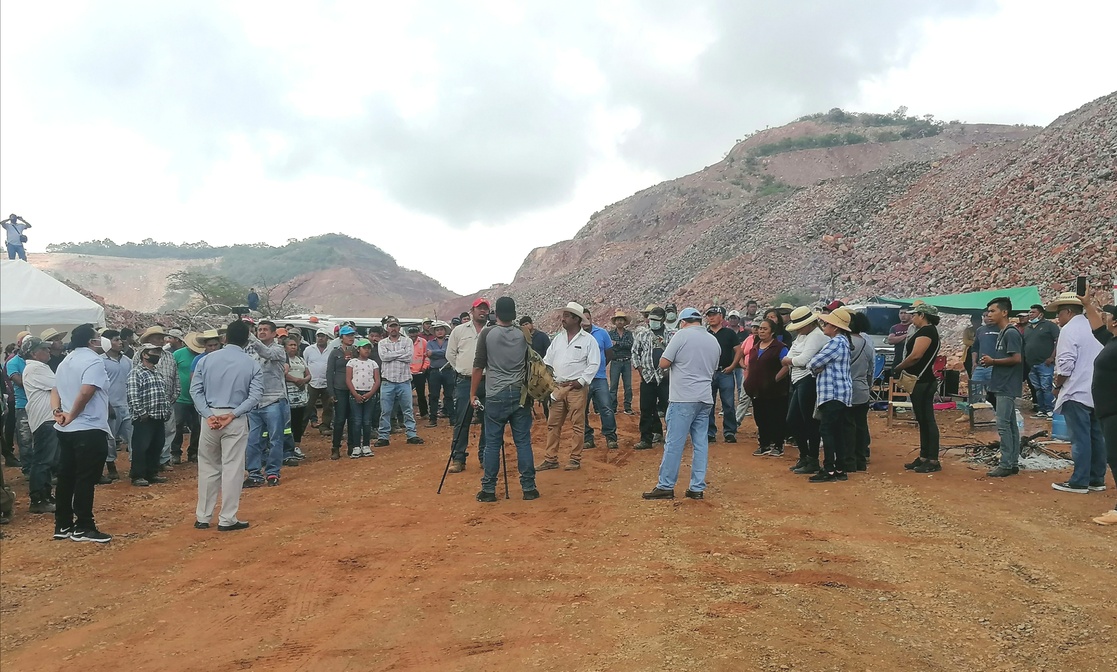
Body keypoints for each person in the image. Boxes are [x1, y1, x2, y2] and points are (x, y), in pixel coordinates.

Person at [190, 320, 263, 531]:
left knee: (208, 467)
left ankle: (203, 516)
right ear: (247, 339)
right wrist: (233, 414)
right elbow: (255, 395)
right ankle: (227, 518)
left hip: (210, 417)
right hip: (234, 418)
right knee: (233, 468)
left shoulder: (206, 360)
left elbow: (195, 390)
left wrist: (207, 414)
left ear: (224, 338)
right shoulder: (251, 363)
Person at [642, 308, 721, 500]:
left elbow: (663, 363)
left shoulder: (681, 335)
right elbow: (714, 367)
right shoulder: (713, 340)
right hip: (705, 398)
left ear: (683, 322)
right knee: (700, 443)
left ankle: (666, 485)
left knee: (674, 443)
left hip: (683, 397)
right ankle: (696, 488)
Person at [469, 296, 539, 502]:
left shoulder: (487, 334)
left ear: (496, 313)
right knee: (523, 442)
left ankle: (489, 490)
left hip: (495, 395)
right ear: (514, 314)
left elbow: (478, 365)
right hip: (520, 394)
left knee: (492, 443)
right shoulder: (522, 334)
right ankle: (529, 488)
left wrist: (473, 394)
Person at [51, 323, 113, 542]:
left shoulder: (65, 361)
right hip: (88, 427)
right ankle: (84, 526)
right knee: (86, 478)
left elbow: (55, 389)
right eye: (97, 337)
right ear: (90, 342)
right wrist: (72, 415)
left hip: (66, 429)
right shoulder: (93, 361)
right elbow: (87, 391)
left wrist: (58, 412)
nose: (100, 340)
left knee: (66, 476)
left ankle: (63, 524)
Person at [1046, 292, 1105, 494]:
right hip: (1096, 392)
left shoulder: (1069, 330)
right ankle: (1097, 479)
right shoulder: (1095, 326)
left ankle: (1079, 481)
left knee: (1080, 438)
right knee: (1096, 436)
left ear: (1068, 312)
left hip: (1076, 391)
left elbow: (1065, 365)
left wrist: (1057, 385)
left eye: (1059, 314)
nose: (1058, 319)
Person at [538, 302, 599, 472]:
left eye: (566, 316)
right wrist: (547, 380)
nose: (562, 319)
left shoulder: (588, 340)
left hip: (576, 388)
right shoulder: (558, 339)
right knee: (553, 424)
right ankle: (551, 458)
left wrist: (582, 381)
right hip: (558, 387)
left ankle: (574, 458)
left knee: (577, 424)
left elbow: (594, 363)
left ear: (576, 319)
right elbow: (547, 361)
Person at [806, 308, 854, 483]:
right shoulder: (843, 342)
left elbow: (814, 362)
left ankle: (829, 469)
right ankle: (839, 468)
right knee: (837, 431)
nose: (824, 325)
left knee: (826, 430)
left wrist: (816, 367)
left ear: (835, 327)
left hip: (832, 392)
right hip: (841, 393)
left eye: (827, 323)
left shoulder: (835, 343)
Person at [894, 304, 943, 473]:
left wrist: (899, 367)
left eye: (914, 315)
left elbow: (916, 356)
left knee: (927, 419)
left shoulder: (927, 332)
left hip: (922, 381)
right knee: (922, 419)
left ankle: (933, 459)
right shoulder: (927, 331)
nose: (912, 317)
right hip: (921, 380)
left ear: (922, 315)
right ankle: (924, 456)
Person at [981, 297, 1026, 478]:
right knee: (1011, 425)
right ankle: (1012, 462)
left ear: (1004, 312)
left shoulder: (1010, 333)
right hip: (1002, 383)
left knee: (1003, 425)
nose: (989, 315)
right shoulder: (1003, 332)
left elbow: (1017, 358)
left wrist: (993, 361)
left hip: (1006, 385)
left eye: (993, 311)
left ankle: (1006, 463)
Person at [243, 320, 290, 487]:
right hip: (255, 401)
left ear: (273, 333)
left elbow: (267, 354)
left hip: (274, 400)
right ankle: (254, 473)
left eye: (265, 330)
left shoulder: (278, 349)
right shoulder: (250, 351)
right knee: (253, 439)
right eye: (259, 330)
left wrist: (250, 336)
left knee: (275, 439)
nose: (261, 332)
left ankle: (272, 472)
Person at [446, 299, 491, 473]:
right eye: (479, 308)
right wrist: (463, 369)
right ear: (472, 310)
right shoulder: (458, 331)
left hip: (488, 381)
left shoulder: (492, 330)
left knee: (488, 420)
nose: (482, 311)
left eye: (485, 309)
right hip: (465, 381)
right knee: (462, 420)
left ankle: (485, 456)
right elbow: (450, 354)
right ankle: (458, 458)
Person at [782, 306, 828, 472]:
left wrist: (789, 360)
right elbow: (796, 356)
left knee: (808, 421)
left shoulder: (815, 336)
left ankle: (812, 459)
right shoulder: (804, 335)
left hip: (808, 379)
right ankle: (806, 456)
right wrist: (792, 360)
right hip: (800, 379)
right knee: (795, 420)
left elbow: (804, 359)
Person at [1085, 297, 1116, 524]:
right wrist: (1087, 305)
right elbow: (1097, 330)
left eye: (1109, 315)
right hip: (1108, 411)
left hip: (1115, 411)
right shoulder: (1112, 341)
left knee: (1116, 458)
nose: (1105, 317)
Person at [20, 338, 59, 512]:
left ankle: (45, 495)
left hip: (47, 418)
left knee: (47, 460)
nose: (48, 351)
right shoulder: (35, 368)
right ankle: (37, 499)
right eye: (44, 348)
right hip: (44, 419)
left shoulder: (39, 367)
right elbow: (58, 385)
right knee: (43, 460)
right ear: (33, 353)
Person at [126, 343, 172, 487]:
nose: (157, 355)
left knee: (156, 446)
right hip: (144, 417)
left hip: (158, 416)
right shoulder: (136, 372)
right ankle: (138, 475)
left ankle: (152, 473)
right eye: (154, 352)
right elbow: (133, 395)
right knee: (141, 447)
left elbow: (162, 394)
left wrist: (166, 411)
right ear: (144, 354)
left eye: (158, 352)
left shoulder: (157, 372)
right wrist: (142, 413)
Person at [744, 319, 790, 457]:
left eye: (765, 329)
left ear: (773, 331)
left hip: (775, 391)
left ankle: (778, 445)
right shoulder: (755, 347)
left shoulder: (780, 347)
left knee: (776, 417)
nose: (761, 331)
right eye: (760, 329)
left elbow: (786, 365)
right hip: (757, 390)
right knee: (760, 417)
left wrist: (775, 379)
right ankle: (764, 444)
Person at [374, 317, 423, 447]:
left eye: (395, 326)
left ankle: (411, 435)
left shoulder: (407, 341)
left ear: (399, 327)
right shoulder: (382, 343)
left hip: (404, 380)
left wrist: (392, 354)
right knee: (385, 410)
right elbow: (384, 357)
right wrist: (400, 353)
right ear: (387, 328)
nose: (393, 328)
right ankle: (383, 436)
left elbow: (408, 358)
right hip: (387, 381)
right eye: (391, 326)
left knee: (408, 409)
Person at [631, 306, 673, 449]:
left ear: (663, 320)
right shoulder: (642, 335)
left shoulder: (670, 335)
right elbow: (635, 353)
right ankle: (646, 439)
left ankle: (671, 437)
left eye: (656, 319)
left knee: (669, 408)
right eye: (651, 319)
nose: (652, 322)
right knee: (646, 409)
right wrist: (641, 370)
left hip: (665, 378)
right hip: (647, 377)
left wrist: (670, 370)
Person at [581, 308, 617, 450]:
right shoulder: (577, 336)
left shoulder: (602, 333)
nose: (586, 322)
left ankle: (611, 437)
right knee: (581, 410)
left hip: (599, 378)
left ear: (591, 318)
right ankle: (587, 438)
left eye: (588, 318)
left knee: (606, 408)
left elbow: (609, 353)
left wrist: (599, 367)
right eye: (583, 319)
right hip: (582, 380)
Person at [705, 306, 741, 443]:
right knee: (709, 404)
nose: (711, 317)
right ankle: (710, 432)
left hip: (725, 371)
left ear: (721, 316)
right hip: (709, 373)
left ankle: (730, 431)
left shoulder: (729, 333)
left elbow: (739, 350)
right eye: (709, 315)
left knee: (729, 403)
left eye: (714, 315)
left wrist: (732, 366)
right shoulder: (705, 334)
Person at [100, 330, 132, 481]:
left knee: (133, 437)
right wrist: (107, 405)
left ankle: (135, 466)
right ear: (107, 342)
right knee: (110, 440)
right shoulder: (101, 361)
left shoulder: (127, 361)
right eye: (116, 339)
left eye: (120, 339)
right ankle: (111, 466)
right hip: (110, 406)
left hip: (127, 405)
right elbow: (100, 386)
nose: (121, 342)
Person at [846, 312, 875, 472]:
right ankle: (861, 459)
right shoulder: (867, 344)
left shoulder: (844, 343)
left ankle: (848, 460)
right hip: (862, 389)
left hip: (846, 390)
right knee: (861, 424)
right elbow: (871, 370)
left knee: (847, 425)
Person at [171, 333, 205, 465]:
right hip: (180, 397)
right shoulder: (178, 354)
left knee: (197, 426)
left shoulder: (203, 357)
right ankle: (175, 452)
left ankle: (193, 452)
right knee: (177, 425)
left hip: (198, 397)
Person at [346, 338, 381, 458]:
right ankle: (356, 446)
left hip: (369, 394)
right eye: (364, 348)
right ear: (358, 349)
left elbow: (377, 380)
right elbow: (348, 379)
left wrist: (370, 393)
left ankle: (366, 445)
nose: (367, 350)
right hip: (355, 393)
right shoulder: (351, 362)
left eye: (368, 348)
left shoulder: (373, 363)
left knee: (367, 421)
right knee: (357, 421)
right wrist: (355, 394)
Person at [326, 326, 357, 460]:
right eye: (347, 335)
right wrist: (331, 392)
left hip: (354, 388)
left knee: (352, 419)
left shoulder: (356, 351)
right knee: (339, 419)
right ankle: (335, 447)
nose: (351, 337)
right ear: (341, 338)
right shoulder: (335, 353)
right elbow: (329, 372)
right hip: (339, 388)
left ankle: (352, 446)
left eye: (352, 335)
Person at [1023, 303, 1060, 418]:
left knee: (1046, 387)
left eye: (1033, 312)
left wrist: (1052, 357)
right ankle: (1041, 409)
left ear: (1041, 314)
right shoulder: (1028, 328)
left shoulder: (1049, 326)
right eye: (1029, 312)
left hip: (1045, 363)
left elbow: (1058, 341)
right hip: (1031, 364)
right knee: (1037, 388)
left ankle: (1050, 410)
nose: (1030, 314)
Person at [4, 338, 31, 470]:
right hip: (22, 404)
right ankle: (28, 468)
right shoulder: (13, 362)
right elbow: (20, 382)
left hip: (39, 404)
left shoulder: (37, 360)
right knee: (25, 439)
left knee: (41, 438)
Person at [283, 336, 311, 463]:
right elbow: (282, 374)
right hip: (288, 395)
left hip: (301, 396)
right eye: (290, 345)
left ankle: (297, 447)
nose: (293, 347)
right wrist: (296, 380)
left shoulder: (300, 359)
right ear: (285, 347)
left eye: (295, 345)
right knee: (288, 423)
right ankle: (287, 448)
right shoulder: (283, 360)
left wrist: (303, 380)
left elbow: (308, 374)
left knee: (298, 422)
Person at [520, 315, 551, 417]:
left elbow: (549, 352)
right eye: (523, 325)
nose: (526, 326)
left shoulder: (542, 336)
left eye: (527, 324)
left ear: (532, 324)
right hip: (527, 372)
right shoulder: (521, 339)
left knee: (546, 394)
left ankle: (547, 413)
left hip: (541, 370)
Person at [304, 328, 334, 434]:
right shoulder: (309, 350)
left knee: (328, 407)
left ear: (327, 338)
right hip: (312, 383)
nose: (320, 338)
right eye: (318, 336)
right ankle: (301, 427)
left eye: (323, 336)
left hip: (327, 383)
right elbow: (305, 364)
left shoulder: (331, 350)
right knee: (307, 406)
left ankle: (325, 427)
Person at [425, 321, 454, 427]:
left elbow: (450, 353)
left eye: (441, 329)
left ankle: (452, 418)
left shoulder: (450, 341)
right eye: (437, 330)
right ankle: (432, 419)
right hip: (434, 371)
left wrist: (434, 353)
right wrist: (442, 353)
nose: (439, 331)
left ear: (445, 330)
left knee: (449, 395)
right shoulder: (429, 343)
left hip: (448, 370)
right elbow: (429, 354)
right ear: (434, 332)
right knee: (433, 396)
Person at [607, 311, 635, 416]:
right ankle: (613, 407)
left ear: (624, 322)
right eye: (618, 319)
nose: (619, 321)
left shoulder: (629, 334)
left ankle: (627, 407)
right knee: (613, 386)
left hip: (626, 361)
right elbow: (610, 346)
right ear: (615, 322)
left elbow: (630, 345)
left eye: (621, 319)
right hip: (615, 362)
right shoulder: (610, 334)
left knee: (628, 386)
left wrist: (617, 344)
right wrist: (620, 345)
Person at [970, 312, 1000, 407]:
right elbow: (975, 348)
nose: (987, 318)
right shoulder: (980, 330)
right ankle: (971, 412)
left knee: (993, 391)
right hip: (980, 366)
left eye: (989, 315)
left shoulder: (1001, 329)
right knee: (974, 388)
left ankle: (996, 413)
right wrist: (974, 362)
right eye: (985, 316)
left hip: (994, 366)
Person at [407, 325, 431, 419]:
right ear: (409, 334)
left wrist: (424, 367)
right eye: (411, 333)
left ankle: (424, 413)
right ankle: (408, 415)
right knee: (406, 395)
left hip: (420, 372)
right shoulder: (405, 342)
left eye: (415, 332)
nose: (413, 335)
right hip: (408, 373)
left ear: (418, 333)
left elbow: (427, 356)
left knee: (421, 394)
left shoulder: (423, 342)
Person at [887, 308, 912, 374]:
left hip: (910, 359)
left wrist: (897, 339)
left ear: (910, 314)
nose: (903, 315)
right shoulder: (895, 328)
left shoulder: (913, 327)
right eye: (901, 313)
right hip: (898, 359)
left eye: (905, 313)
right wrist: (906, 335)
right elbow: (890, 340)